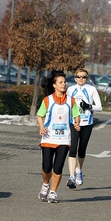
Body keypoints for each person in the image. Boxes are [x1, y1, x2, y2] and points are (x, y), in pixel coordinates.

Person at [36, 70, 81, 203]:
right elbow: (39, 115)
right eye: (60, 82)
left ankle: (53, 192)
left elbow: (76, 116)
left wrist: (77, 123)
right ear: (54, 85)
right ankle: (45, 184)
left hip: (64, 139)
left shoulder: (71, 101)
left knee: (58, 167)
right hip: (49, 138)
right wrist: (41, 127)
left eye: (64, 82)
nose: (63, 84)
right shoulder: (47, 100)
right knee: (46, 166)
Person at [66, 69, 102, 189]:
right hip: (73, 122)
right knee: (73, 149)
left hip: (87, 123)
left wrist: (88, 106)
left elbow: (100, 107)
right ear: (75, 78)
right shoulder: (70, 90)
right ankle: (71, 176)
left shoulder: (91, 89)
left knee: (82, 150)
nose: (81, 79)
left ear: (87, 78)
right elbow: (66, 105)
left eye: (84, 77)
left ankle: (79, 170)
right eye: (78, 77)